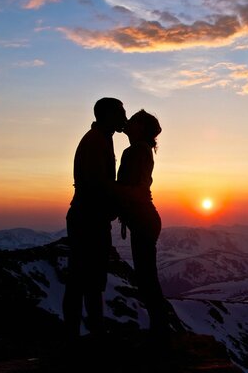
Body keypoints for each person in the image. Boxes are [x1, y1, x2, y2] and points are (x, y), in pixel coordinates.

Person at [63, 97, 127, 339]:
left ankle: (85, 333)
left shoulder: (102, 139)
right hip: (88, 218)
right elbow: (97, 184)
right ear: (108, 115)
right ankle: (86, 335)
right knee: (84, 279)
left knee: (86, 278)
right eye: (121, 113)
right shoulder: (96, 142)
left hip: (89, 216)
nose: (125, 118)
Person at [117, 110, 174, 339]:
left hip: (142, 219)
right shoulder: (142, 150)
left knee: (146, 278)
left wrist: (108, 190)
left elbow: (136, 188)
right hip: (145, 219)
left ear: (140, 128)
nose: (128, 123)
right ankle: (160, 328)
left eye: (133, 120)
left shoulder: (135, 151)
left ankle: (161, 330)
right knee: (146, 277)